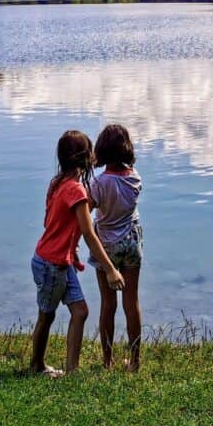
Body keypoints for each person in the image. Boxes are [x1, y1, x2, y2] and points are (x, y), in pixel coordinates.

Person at [30, 129, 124, 376]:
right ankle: (36, 365)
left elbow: (51, 222)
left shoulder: (57, 183)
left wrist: (71, 250)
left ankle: (71, 371)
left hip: (60, 261)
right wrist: (111, 270)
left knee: (80, 312)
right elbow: (90, 234)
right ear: (84, 157)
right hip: (51, 263)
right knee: (46, 316)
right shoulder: (76, 192)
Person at [89, 124, 144, 372]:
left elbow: (86, 210)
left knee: (107, 304)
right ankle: (134, 362)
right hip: (132, 244)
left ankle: (107, 361)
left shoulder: (99, 183)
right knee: (131, 304)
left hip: (106, 247)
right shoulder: (135, 178)